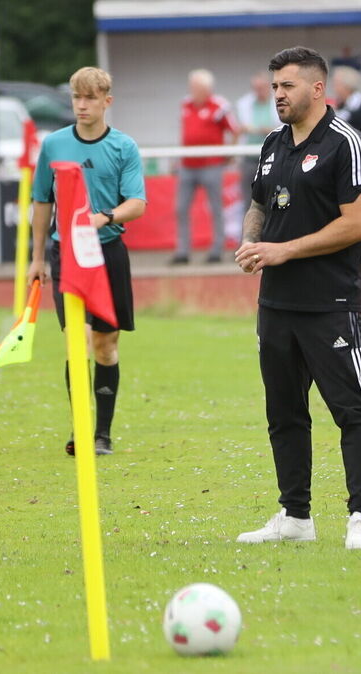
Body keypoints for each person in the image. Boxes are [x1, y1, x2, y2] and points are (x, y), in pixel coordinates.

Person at [233, 46, 361, 551]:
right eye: (275, 87)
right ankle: (295, 516)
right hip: (276, 305)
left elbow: (358, 223)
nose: (278, 95)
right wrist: (252, 242)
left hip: (330, 304)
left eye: (287, 86)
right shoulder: (273, 142)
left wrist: (283, 250)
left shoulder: (347, 144)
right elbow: (259, 200)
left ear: (317, 89)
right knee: (284, 413)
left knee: (351, 411)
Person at [28, 66, 146, 456]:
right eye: (76, 98)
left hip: (108, 252)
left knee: (105, 347)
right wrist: (37, 258)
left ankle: (103, 434)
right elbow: (42, 201)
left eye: (89, 98)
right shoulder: (55, 145)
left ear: (106, 102)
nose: (81, 105)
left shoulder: (124, 147)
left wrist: (105, 217)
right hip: (67, 255)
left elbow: (137, 204)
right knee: (75, 342)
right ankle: (81, 428)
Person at [171, 68, 240, 265]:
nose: (192, 90)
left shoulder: (219, 106)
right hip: (187, 164)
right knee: (181, 208)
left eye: (196, 87)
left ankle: (217, 249)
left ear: (207, 88)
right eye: (191, 86)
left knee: (216, 208)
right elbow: (186, 132)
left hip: (211, 165)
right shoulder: (185, 104)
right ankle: (182, 251)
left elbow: (235, 130)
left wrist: (228, 154)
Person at [234, 72, 280, 241]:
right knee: (249, 202)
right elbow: (239, 129)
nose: (258, 91)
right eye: (256, 88)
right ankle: (247, 241)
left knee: (275, 200)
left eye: (261, 88)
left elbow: (280, 127)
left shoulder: (278, 102)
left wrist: (260, 129)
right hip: (249, 158)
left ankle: (272, 239)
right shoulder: (244, 104)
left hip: (273, 157)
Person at [332, 65, 361, 136]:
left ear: (346, 85)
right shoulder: (343, 102)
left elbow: (343, 118)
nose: (334, 87)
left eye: (337, 84)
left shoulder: (357, 100)